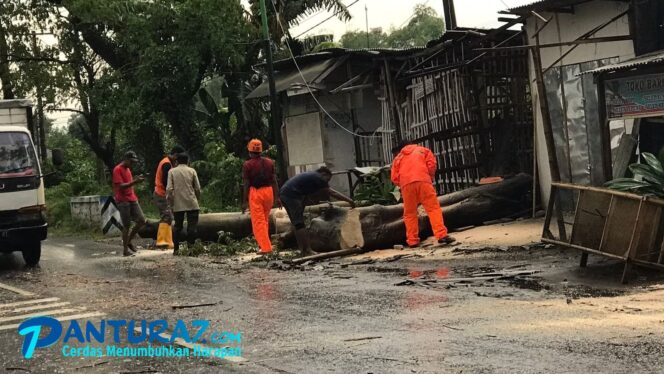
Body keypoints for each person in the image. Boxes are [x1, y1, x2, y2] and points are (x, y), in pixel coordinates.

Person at [391, 142, 455, 248]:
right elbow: (431, 164)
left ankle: (412, 240)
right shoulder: (423, 150)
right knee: (433, 209)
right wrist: (429, 177)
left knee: (410, 213)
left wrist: (402, 184)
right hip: (423, 181)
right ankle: (441, 235)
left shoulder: (398, 158)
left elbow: (394, 177)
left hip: (406, 185)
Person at [280, 166, 355, 256]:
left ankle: (303, 251)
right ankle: (308, 250)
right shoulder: (318, 178)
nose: (327, 182)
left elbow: (306, 195)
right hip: (291, 195)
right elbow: (331, 192)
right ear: (324, 174)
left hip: (284, 193)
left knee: (296, 223)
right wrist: (349, 200)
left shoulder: (311, 177)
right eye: (328, 180)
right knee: (300, 224)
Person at [241, 139, 280, 254]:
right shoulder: (270, 162)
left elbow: (246, 183)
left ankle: (266, 248)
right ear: (261, 150)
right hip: (269, 192)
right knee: (265, 220)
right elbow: (274, 181)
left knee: (258, 221)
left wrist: (244, 201)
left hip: (256, 192)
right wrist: (277, 197)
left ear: (250, 151)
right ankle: (264, 244)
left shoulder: (247, 165)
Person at [112, 151, 146, 257]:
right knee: (126, 225)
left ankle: (129, 241)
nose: (133, 164)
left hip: (132, 198)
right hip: (122, 200)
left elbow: (129, 184)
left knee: (141, 220)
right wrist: (135, 182)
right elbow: (121, 186)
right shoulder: (117, 169)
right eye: (131, 161)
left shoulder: (128, 170)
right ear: (126, 159)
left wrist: (136, 180)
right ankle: (125, 250)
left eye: (134, 162)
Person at [166, 153, 201, 254]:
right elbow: (197, 188)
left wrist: (171, 202)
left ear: (176, 161)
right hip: (192, 202)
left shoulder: (172, 171)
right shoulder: (192, 171)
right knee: (192, 227)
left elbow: (169, 189)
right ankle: (191, 249)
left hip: (178, 203)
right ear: (188, 161)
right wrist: (197, 199)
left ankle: (176, 249)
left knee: (177, 226)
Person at [153, 145, 185, 226]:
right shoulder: (166, 164)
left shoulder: (168, 162)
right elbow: (165, 181)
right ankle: (162, 237)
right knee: (167, 218)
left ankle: (166, 236)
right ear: (176, 155)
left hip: (163, 193)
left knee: (168, 217)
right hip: (161, 194)